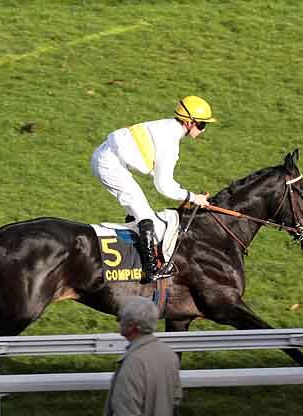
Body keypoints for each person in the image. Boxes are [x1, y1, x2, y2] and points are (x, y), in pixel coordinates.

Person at [91, 96, 216, 282]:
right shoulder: (170, 143)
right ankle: (151, 269)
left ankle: (132, 250)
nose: (203, 129)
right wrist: (193, 197)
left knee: (138, 211)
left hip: (107, 157)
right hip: (109, 164)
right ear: (189, 122)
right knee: (146, 215)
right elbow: (163, 186)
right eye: (202, 125)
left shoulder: (166, 127)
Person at [100, 296, 181, 416]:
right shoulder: (169, 354)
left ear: (132, 325)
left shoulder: (134, 362)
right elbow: (176, 398)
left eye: (120, 318)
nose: (117, 322)